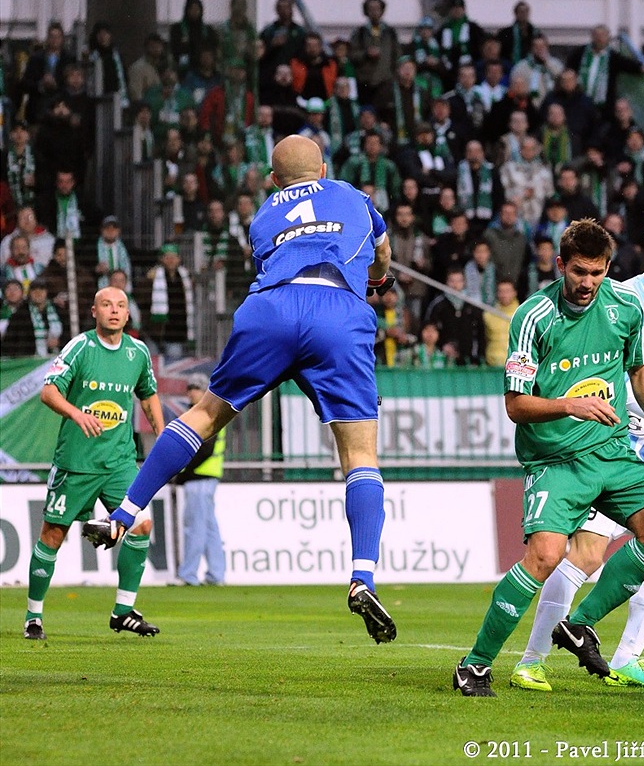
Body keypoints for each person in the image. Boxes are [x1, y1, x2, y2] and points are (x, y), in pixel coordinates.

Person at [83, 135, 398, 645]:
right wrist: (377, 280)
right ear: (323, 169)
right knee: (360, 454)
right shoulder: (351, 195)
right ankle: (363, 576)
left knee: (204, 416)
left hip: (270, 310)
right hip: (337, 312)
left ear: (273, 180)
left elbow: (274, 263)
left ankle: (124, 512)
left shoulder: (264, 215)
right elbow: (381, 255)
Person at [452, 219, 644, 698]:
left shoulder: (625, 307)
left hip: (612, 449)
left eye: (597, 272)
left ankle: (579, 625)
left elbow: (638, 367)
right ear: (560, 265)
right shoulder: (533, 316)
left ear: (608, 268)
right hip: (555, 459)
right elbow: (516, 406)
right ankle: (474, 665)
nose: (588, 282)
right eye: (579, 271)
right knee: (546, 556)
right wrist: (570, 405)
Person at [511, 203, 644, 692]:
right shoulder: (621, 297)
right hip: (601, 445)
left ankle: (626, 658)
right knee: (586, 554)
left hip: (638, 450)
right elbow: (602, 377)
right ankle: (531, 660)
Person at [22, 286, 164, 641]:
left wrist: (163, 437)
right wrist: (76, 413)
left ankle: (123, 612)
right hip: (77, 462)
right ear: (94, 312)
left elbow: (148, 395)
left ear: (127, 315)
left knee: (142, 526)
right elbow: (49, 391)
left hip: (119, 463)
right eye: (106, 305)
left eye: (120, 306)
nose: (114, 311)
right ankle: (33, 616)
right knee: (53, 535)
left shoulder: (138, 352)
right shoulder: (80, 347)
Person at [175, 373, 226, 586]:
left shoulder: (206, 414)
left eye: (195, 388)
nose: (191, 392)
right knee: (209, 527)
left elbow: (204, 450)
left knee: (194, 527)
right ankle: (216, 574)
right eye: (189, 388)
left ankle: (188, 574)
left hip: (199, 478)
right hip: (208, 477)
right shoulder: (214, 412)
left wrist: (182, 473)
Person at [3, 276, 62, 357]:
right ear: (30, 293)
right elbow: (10, 341)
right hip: (29, 359)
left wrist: (59, 342)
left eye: (41, 290)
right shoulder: (20, 314)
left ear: (47, 292)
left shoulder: (58, 310)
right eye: (34, 290)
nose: (38, 293)